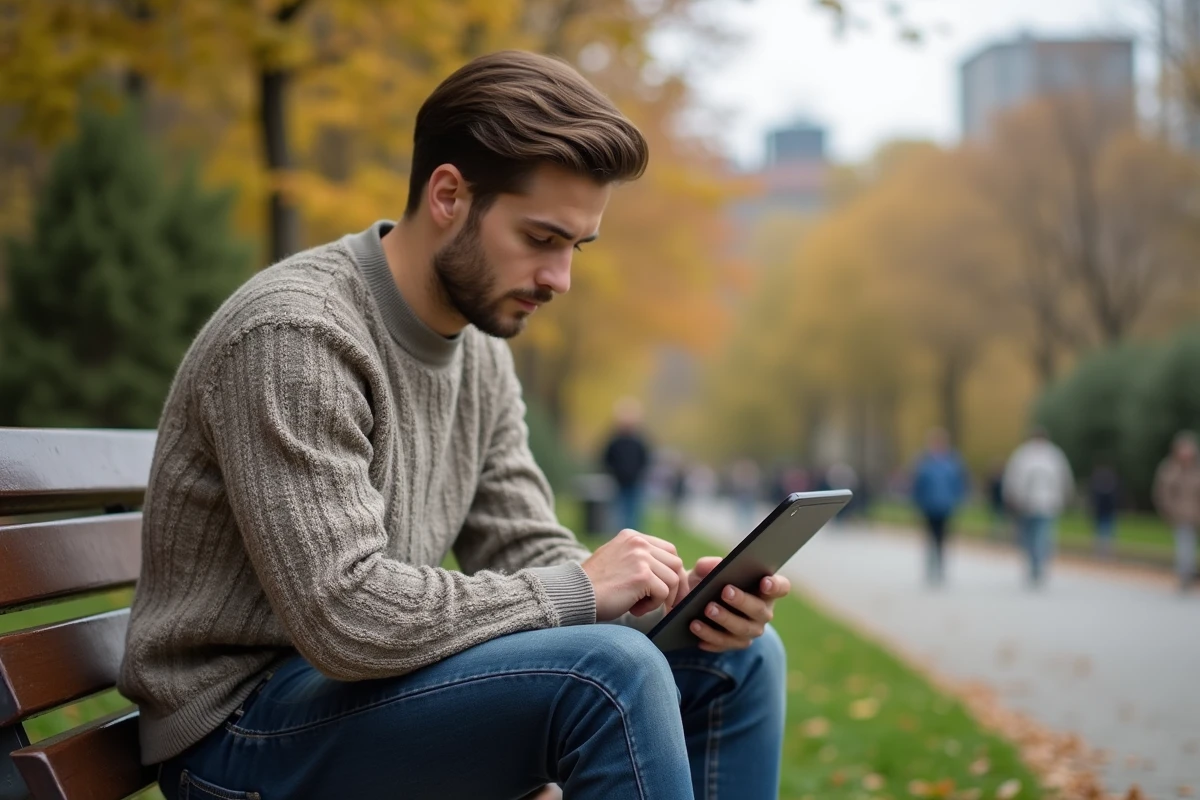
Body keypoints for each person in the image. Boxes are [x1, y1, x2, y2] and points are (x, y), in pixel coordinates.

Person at [118, 51, 791, 800]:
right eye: (541, 239)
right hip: (239, 733)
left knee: (734, 659)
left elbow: (522, 543)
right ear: (448, 194)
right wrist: (577, 592)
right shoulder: (294, 336)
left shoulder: (480, 354)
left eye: (576, 247)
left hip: (364, 695)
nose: (559, 279)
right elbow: (346, 615)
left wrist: (661, 602)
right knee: (611, 677)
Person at [1003, 427, 1075, 588]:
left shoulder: (1025, 454)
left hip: (1039, 504)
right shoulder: (1053, 455)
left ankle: (1037, 565)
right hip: (1037, 504)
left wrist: (1011, 496)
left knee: (1037, 536)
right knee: (1035, 537)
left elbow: (1012, 478)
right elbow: (1064, 478)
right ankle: (1036, 564)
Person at [910, 428, 969, 585]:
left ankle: (941, 567)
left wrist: (959, 501)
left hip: (946, 506)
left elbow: (959, 483)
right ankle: (931, 568)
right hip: (928, 506)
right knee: (930, 538)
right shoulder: (924, 461)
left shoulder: (953, 462)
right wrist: (917, 503)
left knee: (942, 538)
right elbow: (918, 485)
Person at [1152, 431, 1200, 593]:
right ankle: (1185, 576)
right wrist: (1169, 511)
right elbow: (1162, 493)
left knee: (1190, 546)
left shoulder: (1196, 469)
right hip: (1180, 516)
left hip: (1196, 514)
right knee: (1185, 546)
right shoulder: (1169, 469)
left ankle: (1190, 573)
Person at [601, 396, 652, 532]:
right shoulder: (615, 440)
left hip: (634, 482)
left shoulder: (639, 441)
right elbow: (606, 458)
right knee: (617, 513)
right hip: (618, 482)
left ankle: (634, 535)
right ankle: (618, 536)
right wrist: (613, 473)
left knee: (633, 513)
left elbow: (646, 459)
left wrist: (638, 473)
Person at [1088, 462, 1120, 558]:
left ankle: (1103, 552)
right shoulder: (1109, 488)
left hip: (1104, 514)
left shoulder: (1100, 488)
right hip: (1104, 513)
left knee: (1103, 533)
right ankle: (1104, 552)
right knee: (1105, 533)